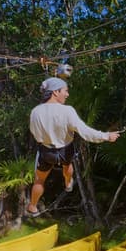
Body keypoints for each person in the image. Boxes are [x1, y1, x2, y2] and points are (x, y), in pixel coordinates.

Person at [26, 77, 120, 217]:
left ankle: (32, 206)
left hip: (47, 152)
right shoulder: (67, 111)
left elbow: (35, 134)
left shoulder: (35, 112)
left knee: (39, 180)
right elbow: (85, 132)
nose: (67, 94)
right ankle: (68, 181)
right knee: (67, 165)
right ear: (55, 92)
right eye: (65, 91)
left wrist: (45, 139)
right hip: (65, 150)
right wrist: (106, 136)